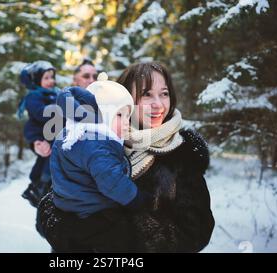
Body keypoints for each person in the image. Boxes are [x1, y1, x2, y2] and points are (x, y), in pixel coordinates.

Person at [37, 62, 215, 252]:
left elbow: (196, 231)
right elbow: (52, 203)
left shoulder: (182, 155)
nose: (158, 104)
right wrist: (71, 226)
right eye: (147, 94)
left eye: (164, 93)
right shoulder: (94, 141)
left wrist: (121, 235)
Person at [44, 73, 152, 252]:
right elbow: (112, 181)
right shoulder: (96, 144)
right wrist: (137, 199)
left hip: (69, 209)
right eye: (119, 115)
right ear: (102, 113)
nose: (127, 123)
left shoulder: (71, 134)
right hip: (95, 214)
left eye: (128, 116)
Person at [18, 60, 59, 208]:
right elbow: (40, 113)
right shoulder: (34, 96)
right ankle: (40, 186)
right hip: (44, 134)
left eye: (52, 77)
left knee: (48, 160)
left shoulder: (56, 94)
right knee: (47, 160)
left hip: (54, 134)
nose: (51, 81)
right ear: (37, 80)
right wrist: (61, 109)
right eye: (46, 78)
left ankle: (39, 186)